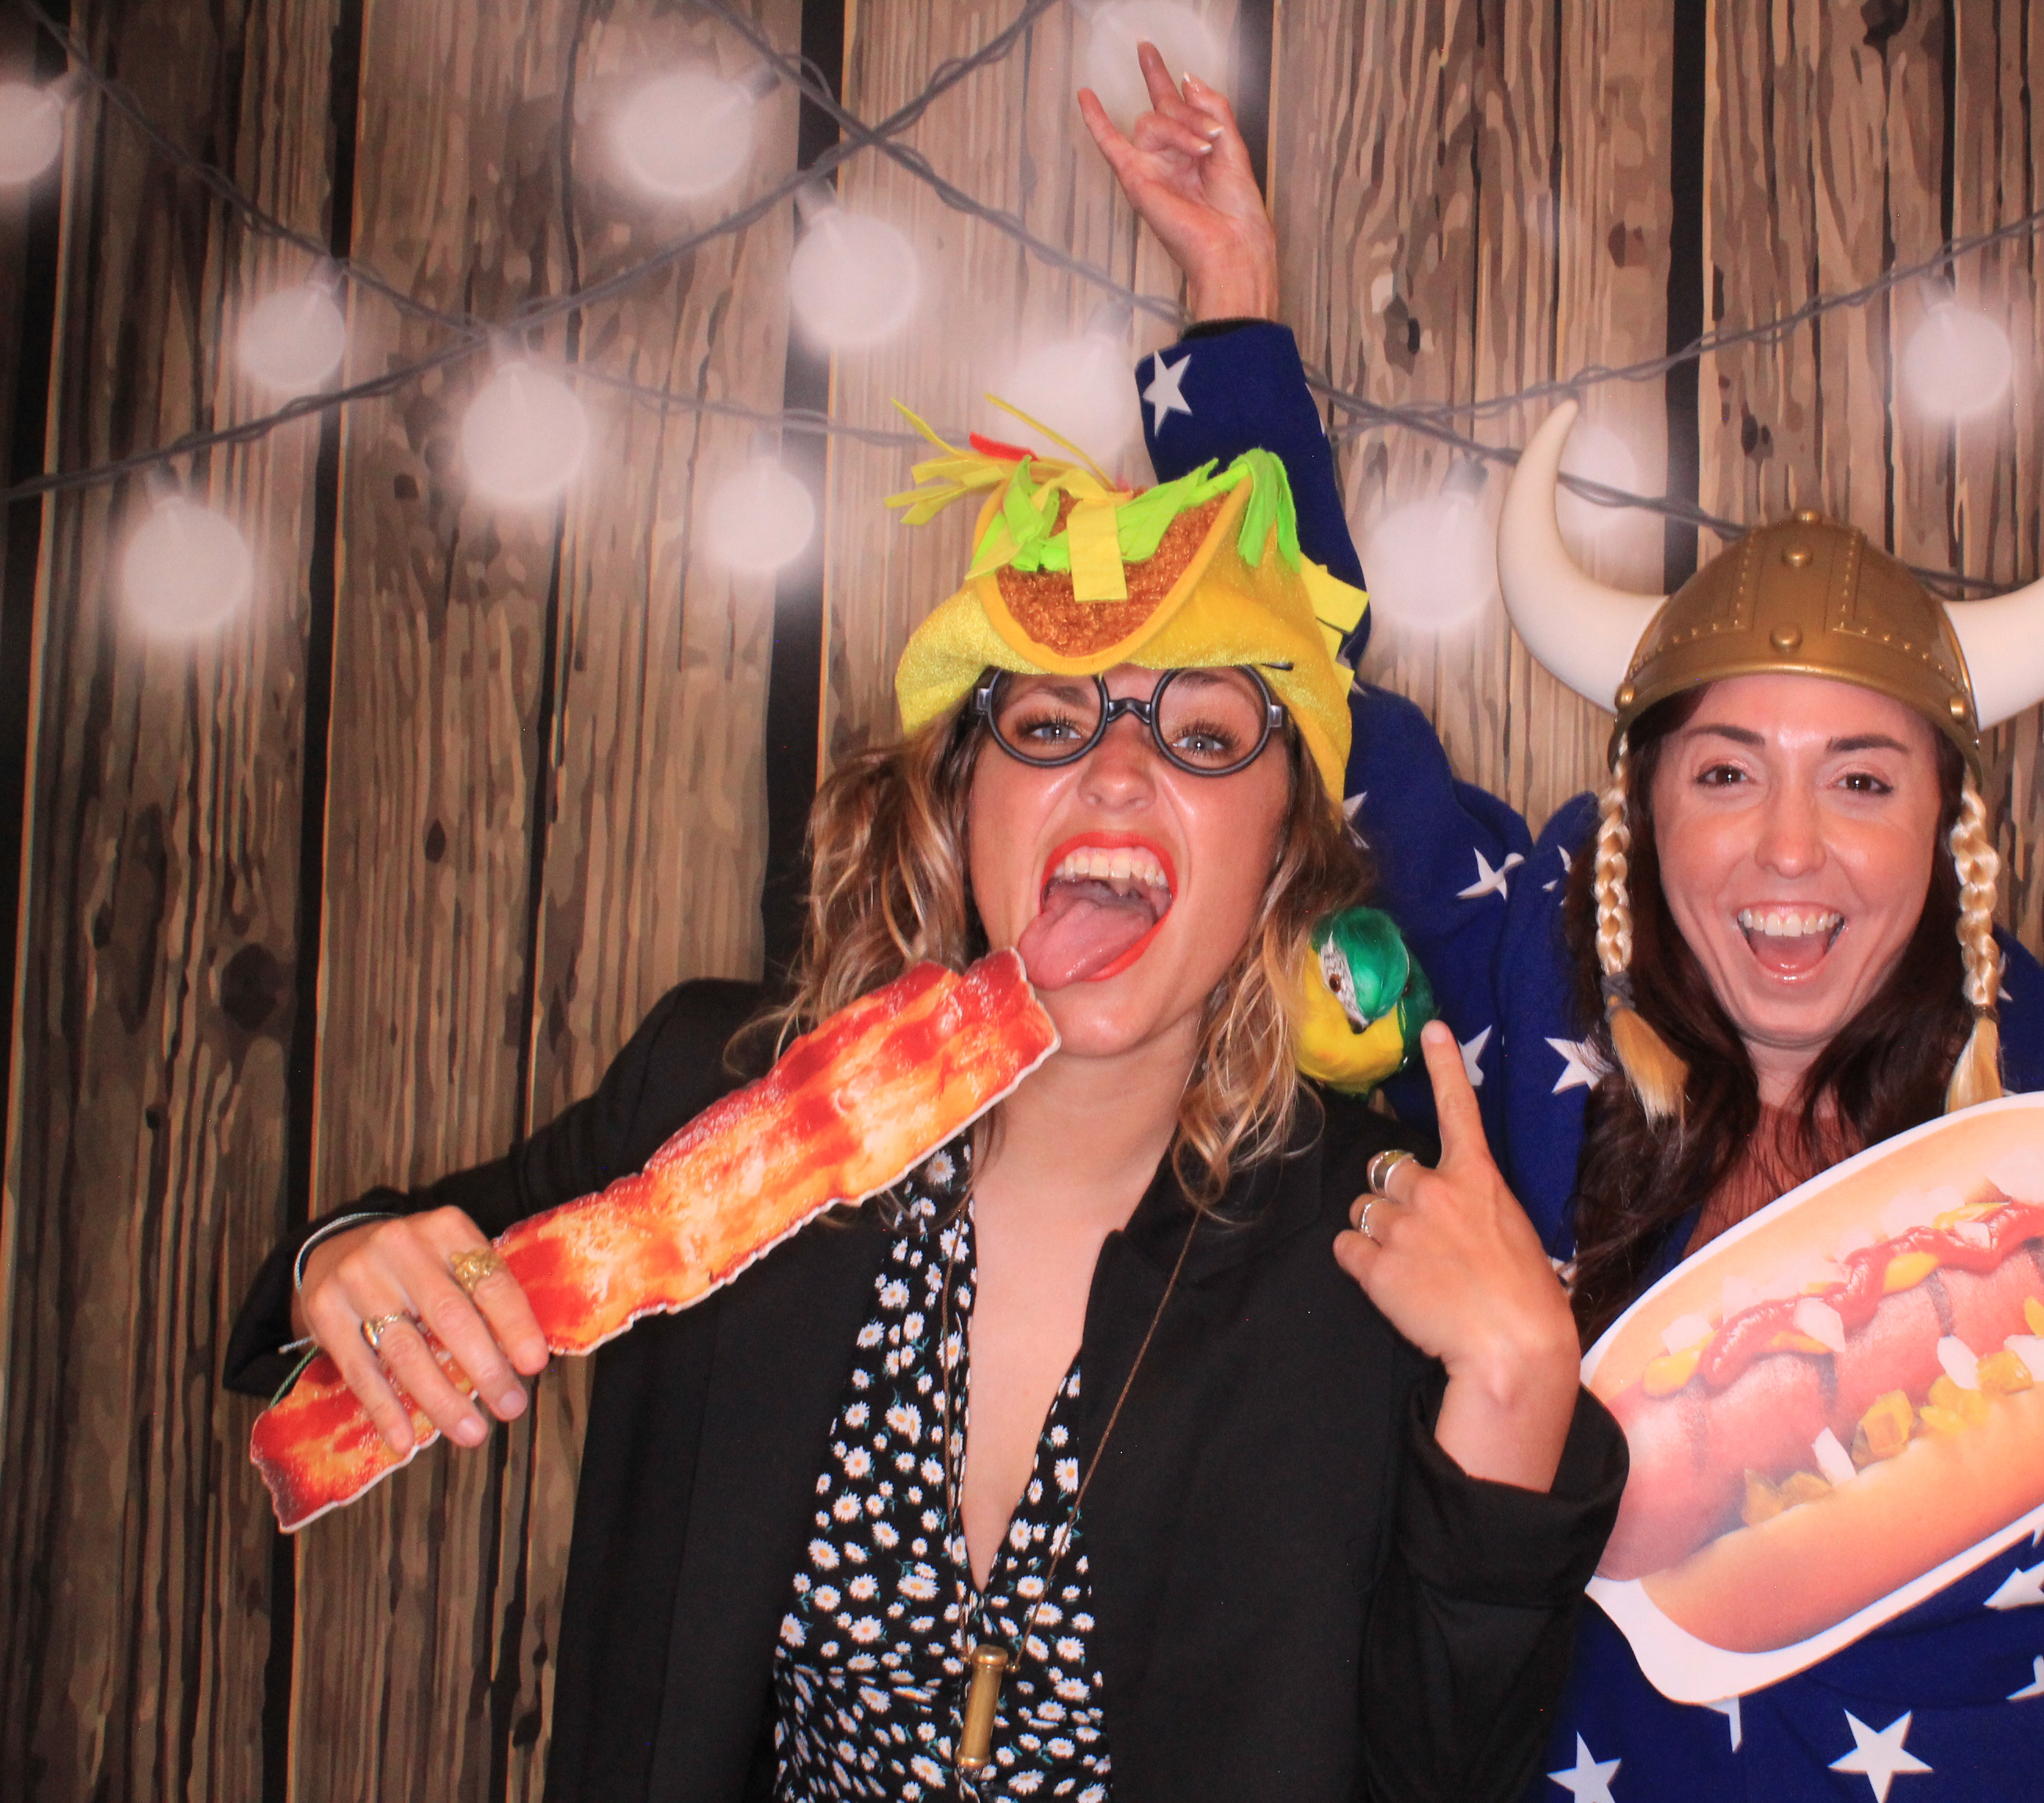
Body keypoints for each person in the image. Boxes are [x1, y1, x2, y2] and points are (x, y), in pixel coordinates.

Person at [1086, 53, 2044, 1800]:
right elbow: (1313, 700)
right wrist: (1230, 308)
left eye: (1862, 781)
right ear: (1646, 813)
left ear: (1948, 827)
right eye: (1727, 773)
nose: (1788, 849)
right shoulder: (1518, 1015)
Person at [224, 405, 1625, 1802]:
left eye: (1204, 735)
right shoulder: (720, 1099)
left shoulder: (1374, 1252)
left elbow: (1435, 1777)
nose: (1118, 768)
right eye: (1050, 720)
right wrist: (339, 1272)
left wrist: (1514, 1390)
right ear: (960, 806)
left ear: (1283, 854)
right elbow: (354, 1300)